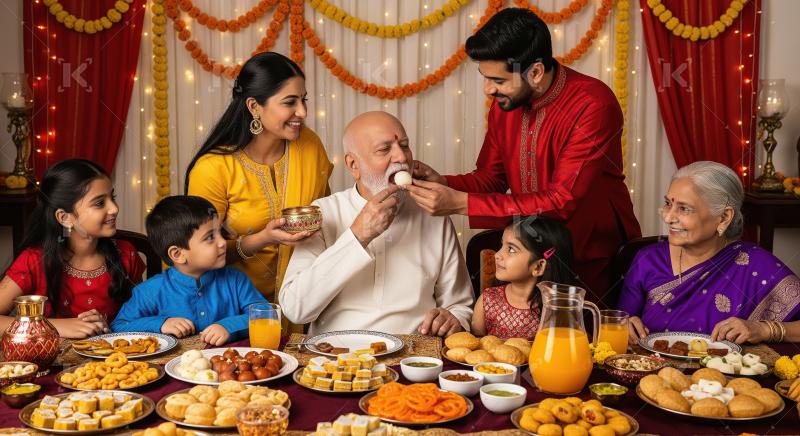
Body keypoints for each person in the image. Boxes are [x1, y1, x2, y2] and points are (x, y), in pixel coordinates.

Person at [406, 8, 641, 301]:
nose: (489, 89)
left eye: (499, 80)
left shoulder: (593, 104)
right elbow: (491, 178)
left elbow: (561, 201)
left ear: (535, 72)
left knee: (582, 343)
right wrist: (444, 183)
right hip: (526, 256)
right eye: (485, 78)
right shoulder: (505, 105)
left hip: (591, 257)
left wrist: (461, 204)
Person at [279, 112, 474, 336]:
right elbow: (295, 309)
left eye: (405, 145)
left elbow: (460, 306)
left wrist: (453, 319)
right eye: (384, 149)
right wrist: (358, 236)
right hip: (335, 358)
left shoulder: (432, 214)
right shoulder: (325, 212)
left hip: (414, 358)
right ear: (354, 165)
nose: (401, 157)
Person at [186, 52, 333, 301]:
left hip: (307, 300)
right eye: (290, 102)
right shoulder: (214, 167)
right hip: (235, 308)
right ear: (254, 106)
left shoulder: (309, 145)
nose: (303, 112)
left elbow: (327, 212)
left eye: (303, 100)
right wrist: (262, 239)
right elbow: (196, 255)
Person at [620, 161, 800, 344]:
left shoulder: (754, 263)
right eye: (668, 204)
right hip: (655, 371)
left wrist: (765, 329)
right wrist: (623, 326)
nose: (668, 217)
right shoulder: (648, 259)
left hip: (728, 373)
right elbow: (621, 323)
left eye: (684, 208)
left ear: (723, 217)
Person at [0, 159, 145, 338]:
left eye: (112, 198)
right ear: (65, 217)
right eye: (100, 203)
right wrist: (54, 326)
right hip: (52, 364)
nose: (114, 208)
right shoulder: (33, 260)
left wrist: (108, 325)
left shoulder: (126, 253)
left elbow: (140, 314)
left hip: (117, 361)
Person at [111, 196, 267, 346]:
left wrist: (229, 326)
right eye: (210, 237)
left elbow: (266, 314)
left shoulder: (236, 280)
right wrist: (161, 324)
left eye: (221, 233)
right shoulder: (150, 291)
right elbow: (118, 327)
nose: (222, 243)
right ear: (178, 254)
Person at [471, 215, 576, 339]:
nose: (497, 254)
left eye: (511, 249)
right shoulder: (487, 300)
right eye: (502, 245)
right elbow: (474, 348)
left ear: (538, 266)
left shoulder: (556, 310)